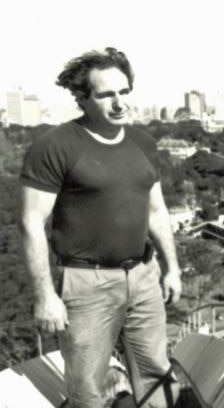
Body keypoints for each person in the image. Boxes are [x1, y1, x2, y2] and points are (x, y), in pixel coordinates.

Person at [19, 47, 182, 407]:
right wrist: (46, 296)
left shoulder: (142, 142)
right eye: (107, 94)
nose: (120, 102)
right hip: (85, 283)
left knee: (157, 370)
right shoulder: (54, 146)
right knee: (89, 388)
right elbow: (31, 222)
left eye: (124, 92)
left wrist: (172, 268)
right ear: (81, 98)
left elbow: (156, 210)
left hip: (143, 275)